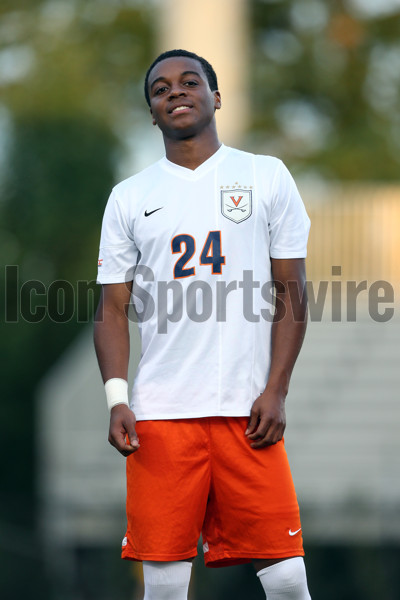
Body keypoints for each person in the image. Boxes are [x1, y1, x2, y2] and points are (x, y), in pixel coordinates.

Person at [94, 49, 312, 600]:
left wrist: (276, 390)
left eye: (190, 82)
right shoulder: (130, 196)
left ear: (216, 97)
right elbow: (112, 309)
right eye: (161, 89)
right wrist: (117, 398)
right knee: (164, 588)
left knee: (287, 578)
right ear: (151, 113)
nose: (176, 92)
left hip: (247, 412)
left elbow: (292, 292)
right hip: (162, 417)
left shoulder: (264, 175)